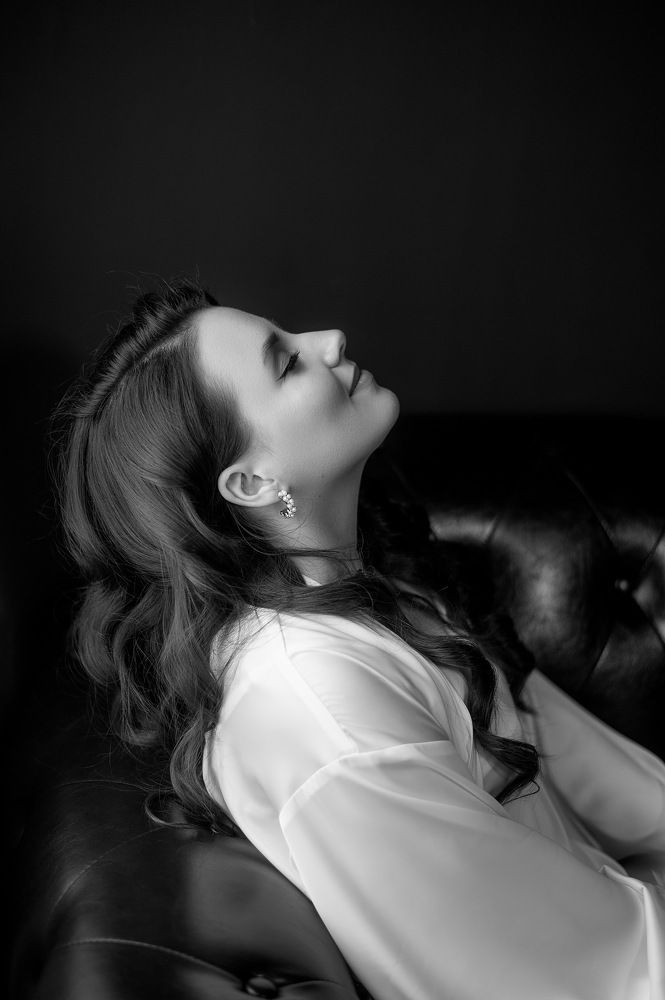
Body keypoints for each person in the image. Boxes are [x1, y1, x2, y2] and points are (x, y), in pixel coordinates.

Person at [57, 277, 665, 1000]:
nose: (330, 340)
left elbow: (619, 792)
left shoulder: (379, 591)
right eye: (287, 362)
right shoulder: (320, 705)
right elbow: (574, 975)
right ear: (251, 483)